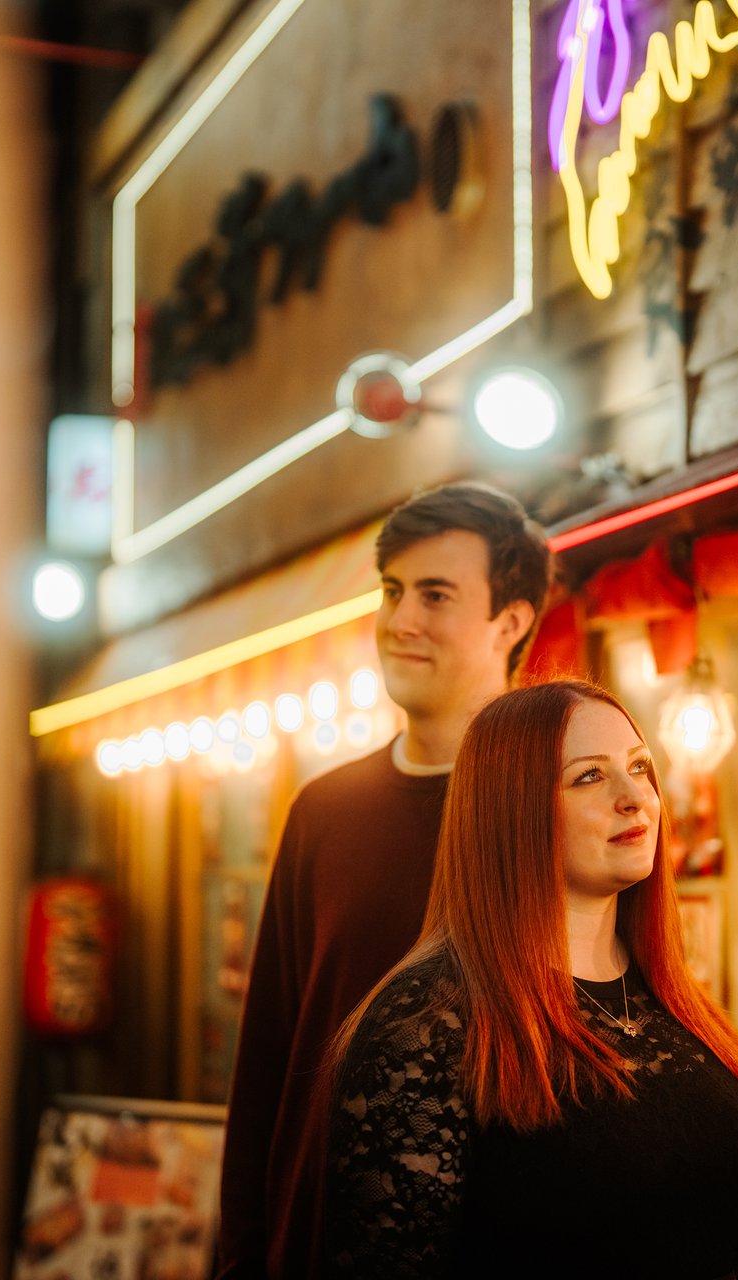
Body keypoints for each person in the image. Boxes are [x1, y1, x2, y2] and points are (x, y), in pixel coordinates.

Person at [323, 682, 738, 1278]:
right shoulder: (426, 1022)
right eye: (589, 776)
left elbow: (733, 1239)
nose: (634, 798)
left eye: (641, 767)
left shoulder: (667, 995)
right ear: (512, 812)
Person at [215, 482, 552, 1280]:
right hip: (317, 1238)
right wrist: (241, 1254)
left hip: (509, 1241)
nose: (400, 620)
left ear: (510, 622)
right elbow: (267, 1060)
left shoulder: (553, 804)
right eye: (392, 591)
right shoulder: (324, 812)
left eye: (435, 595)